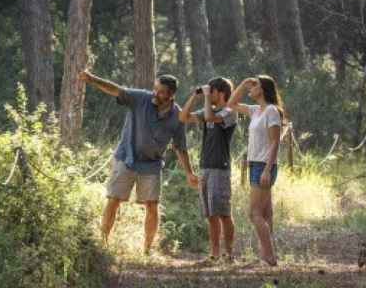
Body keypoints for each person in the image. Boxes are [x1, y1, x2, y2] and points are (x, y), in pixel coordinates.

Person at [80, 70, 199, 254]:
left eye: (160, 91)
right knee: (113, 200)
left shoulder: (177, 116)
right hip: (126, 158)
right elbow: (116, 90)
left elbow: (180, 147)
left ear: (171, 95)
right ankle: (103, 244)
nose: (155, 93)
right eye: (155, 89)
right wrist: (91, 79)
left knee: (152, 206)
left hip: (151, 165)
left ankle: (147, 250)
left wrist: (189, 173)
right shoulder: (141, 98)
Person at [227, 75, 284, 266]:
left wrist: (267, 170)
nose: (251, 87)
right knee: (266, 213)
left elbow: (275, 142)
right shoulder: (255, 111)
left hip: (264, 165)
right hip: (255, 163)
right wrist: (243, 83)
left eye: (255, 85)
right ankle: (267, 254)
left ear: (264, 89)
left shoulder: (272, 111)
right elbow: (231, 103)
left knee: (254, 213)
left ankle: (269, 255)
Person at [178, 77, 237, 262]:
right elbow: (183, 117)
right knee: (210, 214)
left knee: (224, 213)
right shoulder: (207, 110)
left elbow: (211, 118)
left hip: (220, 168)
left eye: (211, 92)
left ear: (219, 93)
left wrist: (204, 97)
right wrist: (195, 96)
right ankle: (214, 254)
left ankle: (229, 254)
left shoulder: (230, 112)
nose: (208, 95)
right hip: (205, 167)